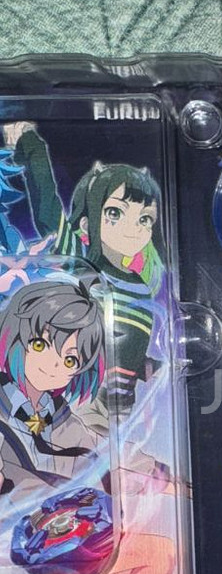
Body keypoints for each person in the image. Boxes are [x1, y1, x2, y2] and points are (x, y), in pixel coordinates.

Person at [3, 122, 164, 416]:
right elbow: (48, 207)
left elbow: (129, 345)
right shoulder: (82, 260)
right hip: (75, 398)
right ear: (88, 224)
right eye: (115, 213)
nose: (134, 228)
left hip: (119, 409)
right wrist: (30, 144)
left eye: (145, 219)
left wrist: (153, 367)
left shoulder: (141, 285)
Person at [0, 279, 104, 498]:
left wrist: (160, 474)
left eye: (70, 360)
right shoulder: (6, 410)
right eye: (40, 345)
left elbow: (108, 450)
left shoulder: (59, 417)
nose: (53, 365)